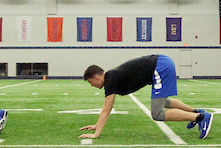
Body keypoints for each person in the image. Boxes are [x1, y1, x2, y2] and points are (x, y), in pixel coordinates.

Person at [81, 54, 213, 139]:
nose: (92, 85)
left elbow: (106, 109)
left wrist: (96, 133)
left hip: (160, 66)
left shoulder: (110, 80)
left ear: (96, 77)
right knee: (163, 102)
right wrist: (96, 125)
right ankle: (197, 112)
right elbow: (106, 108)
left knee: (157, 113)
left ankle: (201, 117)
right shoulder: (111, 77)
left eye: (90, 82)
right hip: (162, 63)